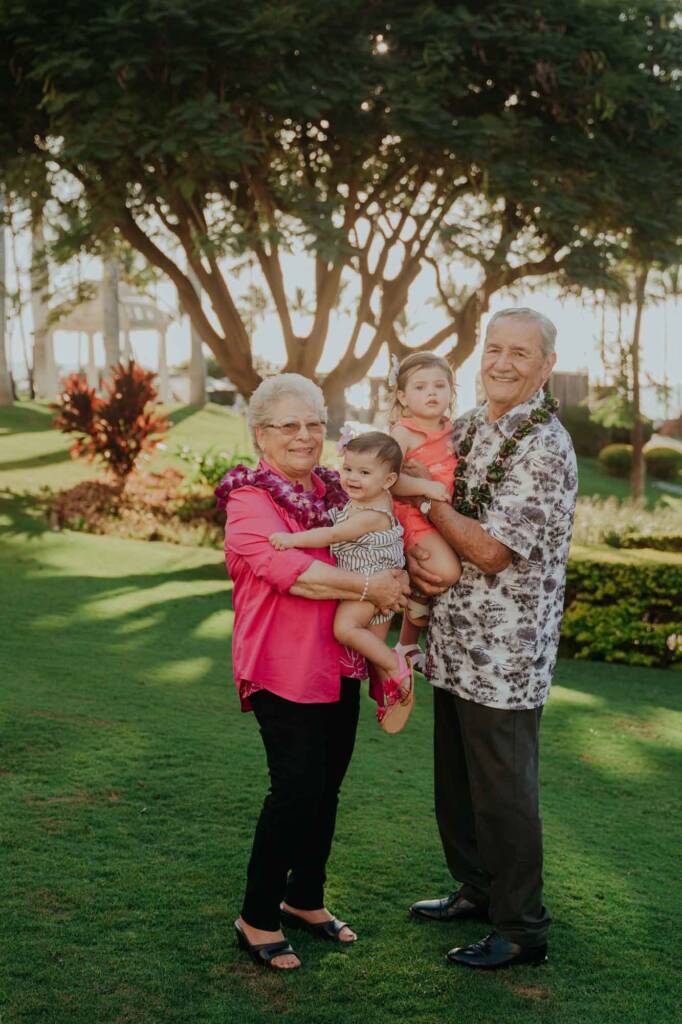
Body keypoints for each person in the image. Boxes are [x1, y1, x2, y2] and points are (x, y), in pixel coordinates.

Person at [217, 374, 409, 971]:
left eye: (314, 424)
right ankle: (256, 915)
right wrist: (370, 586)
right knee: (295, 790)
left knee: (325, 789)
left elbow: (390, 526)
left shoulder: (339, 491)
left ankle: (304, 898)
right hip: (281, 666)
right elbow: (290, 572)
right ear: (260, 434)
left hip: (338, 665)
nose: (304, 435)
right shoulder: (249, 499)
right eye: (288, 425)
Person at [406, 308, 578, 970]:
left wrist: (424, 502)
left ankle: (521, 928)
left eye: (520, 352)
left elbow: (492, 550)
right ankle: (476, 891)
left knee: (504, 793)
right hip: (454, 640)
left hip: (506, 654)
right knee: (456, 782)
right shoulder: (472, 426)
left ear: (545, 366)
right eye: (493, 348)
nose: (502, 362)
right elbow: (418, 455)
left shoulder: (543, 445)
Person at [270, 431, 413, 727]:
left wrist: (292, 539)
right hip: (375, 578)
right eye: (347, 469)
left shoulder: (373, 514)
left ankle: (396, 664)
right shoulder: (361, 501)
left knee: (345, 628)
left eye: (364, 472)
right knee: (370, 651)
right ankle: (393, 689)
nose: (352, 478)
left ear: (387, 482)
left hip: (370, 582)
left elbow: (334, 534)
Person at [388, 353, 463, 670]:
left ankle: (407, 644)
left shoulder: (455, 430)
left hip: (441, 517)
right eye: (420, 387)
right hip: (413, 516)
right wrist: (426, 487)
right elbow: (388, 480)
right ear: (403, 396)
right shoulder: (402, 433)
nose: (431, 393)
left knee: (445, 574)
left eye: (439, 385)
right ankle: (402, 642)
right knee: (446, 573)